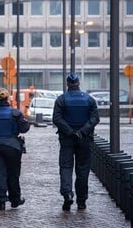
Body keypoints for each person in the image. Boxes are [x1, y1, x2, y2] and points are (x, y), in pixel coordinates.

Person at [53, 73, 99, 211]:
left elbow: (57, 119)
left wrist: (70, 132)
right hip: (84, 139)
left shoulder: (62, 99)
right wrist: (82, 131)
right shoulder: (89, 99)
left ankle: (67, 194)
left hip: (67, 139)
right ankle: (81, 201)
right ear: (79, 83)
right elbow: (95, 118)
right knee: (83, 170)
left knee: (66, 167)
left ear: (67, 84)